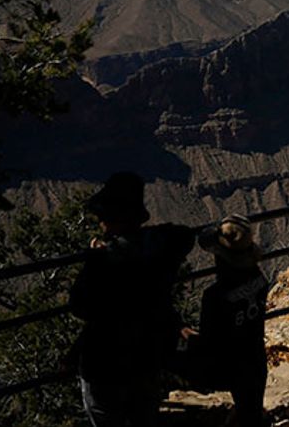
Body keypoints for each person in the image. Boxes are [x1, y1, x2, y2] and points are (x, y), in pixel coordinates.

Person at [69, 172, 195, 427]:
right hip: (147, 353)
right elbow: (185, 235)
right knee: (143, 416)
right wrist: (139, 241)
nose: (100, 221)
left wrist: (97, 259)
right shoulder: (160, 247)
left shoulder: (104, 262)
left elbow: (79, 306)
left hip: (106, 362)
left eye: (104, 216)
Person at [192, 215, 269, 427]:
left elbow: (208, 342)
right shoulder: (260, 279)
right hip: (255, 358)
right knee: (250, 413)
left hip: (227, 366)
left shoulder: (215, 296)